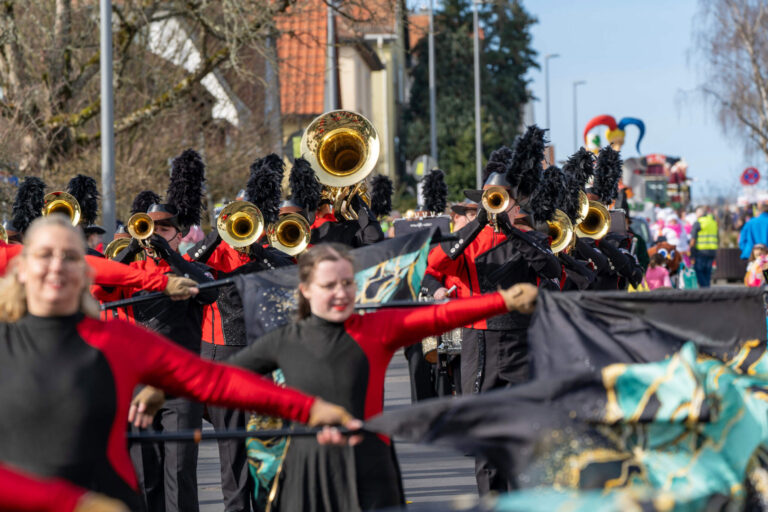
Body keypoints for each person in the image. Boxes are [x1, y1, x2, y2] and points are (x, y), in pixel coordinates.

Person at [0, 215, 357, 512]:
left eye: (70, 257)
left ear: (87, 271)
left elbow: (216, 382)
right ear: (20, 268)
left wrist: (310, 408)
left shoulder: (119, 343)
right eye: (44, 255)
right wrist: (68, 502)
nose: (57, 267)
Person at [221, 243, 538, 511]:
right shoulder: (285, 340)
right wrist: (289, 405)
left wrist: (504, 301)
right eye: (329, 285)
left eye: (347, 283)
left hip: (370, 465)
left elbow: (439, 316)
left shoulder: (377, 329)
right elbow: (223, 379)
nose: (340, 293)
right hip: (307, 467)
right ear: (305, 290)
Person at [690, 206, 719, 288]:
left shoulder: (698, 223)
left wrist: (691, 253)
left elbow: (693, 240)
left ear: (699, 213)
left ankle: (704, 289)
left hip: (701, 251)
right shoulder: (713, 222)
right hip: (712, 250)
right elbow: (717, 236)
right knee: (708, 271)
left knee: (699, 270)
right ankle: (707, 289)